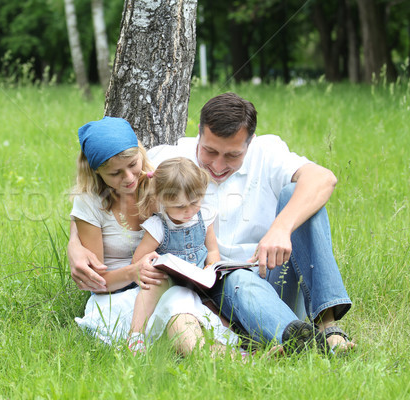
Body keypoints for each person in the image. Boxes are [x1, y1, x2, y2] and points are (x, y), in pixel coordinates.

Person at [69, 93, 355, 354]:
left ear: (250, 143)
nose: (218, 166)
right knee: (239, 278)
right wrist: (75, 244)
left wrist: (281, 227)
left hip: (271, 274)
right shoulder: (168, 160)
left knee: (300, 195)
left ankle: (327, 326)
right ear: (198, 136)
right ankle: (297, 342)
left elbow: (324, 179)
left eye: (232, 155)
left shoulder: (268, 153)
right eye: (209, 152)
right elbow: (98, 197)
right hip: (220, 288)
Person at [70, 116, 238, 356]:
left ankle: (233, 358)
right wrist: (133, 272)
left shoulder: (159, 183)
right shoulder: (90, 204)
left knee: (179, 302)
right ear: (96, 172)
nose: (128, 178)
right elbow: (97, 282)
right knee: (173, 304)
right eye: (115, 173)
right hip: (118, 296)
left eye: (132, 165)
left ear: (140, 152)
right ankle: (231, 360)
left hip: (169, 286)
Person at [128, 157, 223, 353]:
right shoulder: (159, 226)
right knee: (152, 287)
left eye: (194, 202)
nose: (189, 211)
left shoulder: (204, 216)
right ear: (162, 200)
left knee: (217, 305)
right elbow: (137, 260)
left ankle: (232, 342)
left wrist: (211, 268)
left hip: (197, 280)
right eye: (180, 207)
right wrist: (151, 260)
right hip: (168, 281)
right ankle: (136, 336)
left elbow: (212, 250)